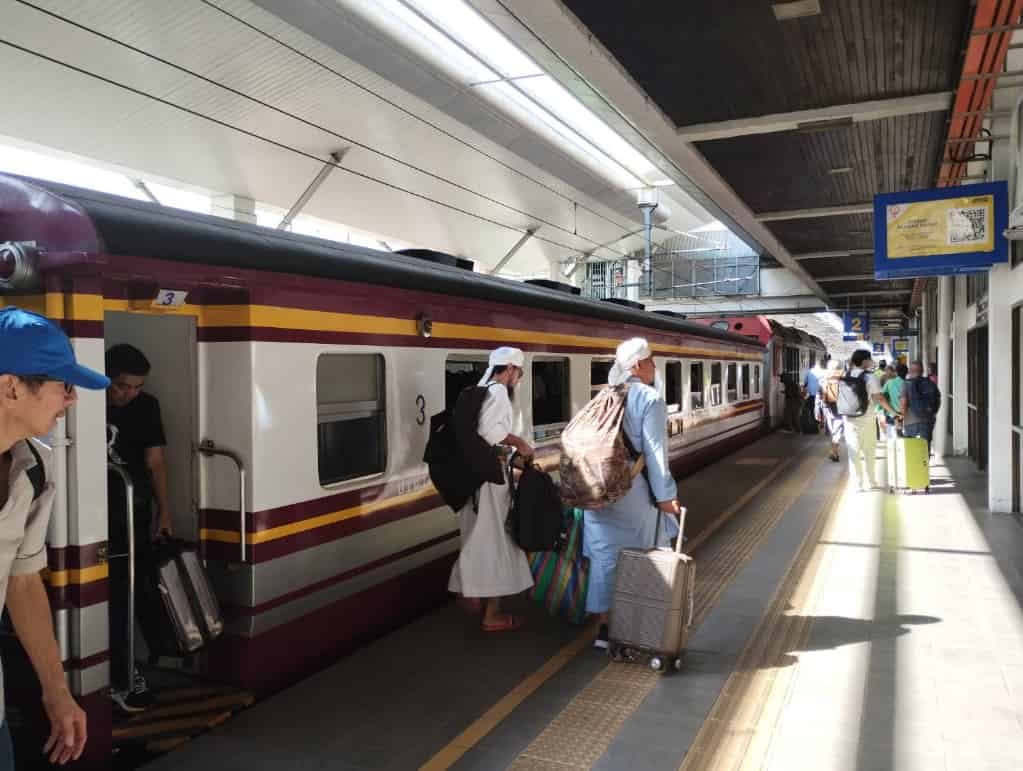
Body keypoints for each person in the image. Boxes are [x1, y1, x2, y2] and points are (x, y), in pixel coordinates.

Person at [0, 307, 103, 766]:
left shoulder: (34, 469)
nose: (72, 399)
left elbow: (21, 581)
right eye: (64, 385)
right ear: (11, 387)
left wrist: (56, 690)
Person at [584, 338, 681, 649]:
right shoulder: (649, 399)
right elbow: (655, 453)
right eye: (651, 360)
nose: (654, 366)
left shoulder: (604, 395)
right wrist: (665, 496)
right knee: (645, 555)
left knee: (604, 557)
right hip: (632, 490)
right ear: (638, 365)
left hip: (598, 489)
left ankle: (603, 630)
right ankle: (637, 625)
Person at [448, 347, 534, 632]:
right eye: (519, 372)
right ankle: (485, 607)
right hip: (489, 483)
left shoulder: (481, 389)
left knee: (484, 538)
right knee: (493, 541)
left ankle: (473, 593)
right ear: (509, 368)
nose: (519, 378)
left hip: (476, 480)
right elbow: (489, 433)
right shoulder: (498, 393)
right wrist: (519, 443)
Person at [106, 344, 172, 712]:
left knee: (129, 593)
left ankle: (125, 672)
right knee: (108, 596)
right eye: (122, 386)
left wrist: (165, 513)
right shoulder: (81, 400)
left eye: (136, 387)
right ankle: (118, 674)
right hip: (91, 517)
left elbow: (155, 462)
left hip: (133, 513)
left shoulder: (147, 407)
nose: (129, 394)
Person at [843, 350, 896, 492]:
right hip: (866, 418)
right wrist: (893, 412)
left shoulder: (846, 375)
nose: (871, 361)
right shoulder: (870, 377)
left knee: (853, 452)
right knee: (869, 451)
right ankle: (871, 481)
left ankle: (857, 484)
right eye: (869, 359)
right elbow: (879, 398)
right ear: (865, 361)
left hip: (849, 418)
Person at [901, 360, 941, 455]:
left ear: (910, 371)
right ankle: (925, 464)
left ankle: (914, 464)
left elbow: (903, 403)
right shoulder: (930, 383)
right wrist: (932, 413)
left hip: (910, 422)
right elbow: (938, 400)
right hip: (927, 420)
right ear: (922, 371)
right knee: (925, 447)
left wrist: (900, 418)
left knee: (911, 449)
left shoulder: (906, 384)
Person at [819, 359, 844, 463]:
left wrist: (819, 409)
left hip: (828, 408)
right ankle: (834, 453)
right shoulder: (843, 379)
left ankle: (833, 451)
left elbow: (821, 395)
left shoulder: (824, 379)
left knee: (833, 431)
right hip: (840, 408)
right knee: (837, 431)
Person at [882, 364, 907, 441]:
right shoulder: (908, 383)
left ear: (896, 372)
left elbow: (882, 395)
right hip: (907, 414)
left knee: (894, 436)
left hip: (893, 413)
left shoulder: (890, 382)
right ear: (907, 372)